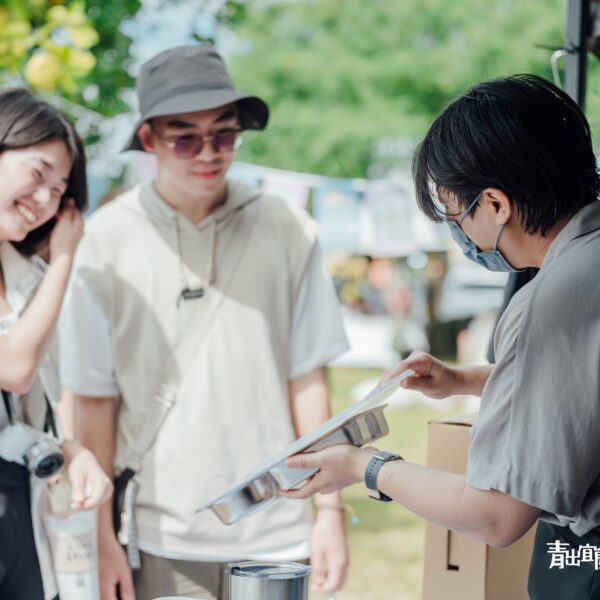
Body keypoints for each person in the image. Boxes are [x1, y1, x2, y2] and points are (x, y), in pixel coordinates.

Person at [283, 74, 600, 599]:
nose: (461, 236)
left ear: (495, 204)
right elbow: (578, 385)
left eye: (456, 216)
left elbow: (496, 514)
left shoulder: (550, 299)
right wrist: (463, 380)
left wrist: (364, 466)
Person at [59, 44, 350, 600]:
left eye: (224, 133)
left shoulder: (288, 226)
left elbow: (308, 378)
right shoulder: (105, 239)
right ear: (148, 139)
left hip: (278, 529)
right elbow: (93, 400)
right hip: (161, 532)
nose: (209, 153)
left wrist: (330, 511)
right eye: (185, 138)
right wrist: (101, 537)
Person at [0, 88, 113, 600]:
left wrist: (71, 449)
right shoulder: (47, 275)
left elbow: (33, 403)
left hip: (22, 519)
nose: (45, 200)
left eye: (59, 188)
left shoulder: (24, 276)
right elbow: (15, 368)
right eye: (37, 173)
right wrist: (65, 256)